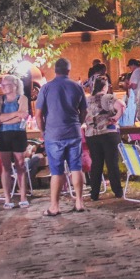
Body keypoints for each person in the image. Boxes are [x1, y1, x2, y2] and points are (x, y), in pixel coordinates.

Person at [34, 58, 87, 216]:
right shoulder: (77, 87)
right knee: (76, 167)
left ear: (55, 70)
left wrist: (43, 131)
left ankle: (54, 206)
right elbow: (84, 111)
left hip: (53, 134)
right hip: (73, 132)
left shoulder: (46, 88)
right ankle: (79, 202)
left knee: (56, 170)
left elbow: (38, 115)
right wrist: (78, 123)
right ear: (68, 70)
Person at [84, 75, 124, 201]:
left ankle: (94, 193)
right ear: (105, 86)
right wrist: (116, 118)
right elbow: (121, 106)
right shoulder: (107, 97)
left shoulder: (87, 100)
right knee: (112, 163)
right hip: (108, 133)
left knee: (96, 164)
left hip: (91, 135)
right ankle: (117, 191)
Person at [0, 74, 31, 209]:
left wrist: (5, 119)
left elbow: (22, 117)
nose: (2, 87)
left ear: (14, 86)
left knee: (20, 165)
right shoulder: (0, 100)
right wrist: (15, 114)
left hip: (18, 133)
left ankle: (23, 197)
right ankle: (7, 198)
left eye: (6, 85)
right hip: (3, 134)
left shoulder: (22, 98)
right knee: (6, 167)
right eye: (2, 85)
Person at [122, 58, 140, 126]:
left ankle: (136, 130)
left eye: (130, 66)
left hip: (137, 98)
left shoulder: (136, 72)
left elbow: (134, 86)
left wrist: (127, 85)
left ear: (133, 65)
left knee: (136, 117)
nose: (130, 68)